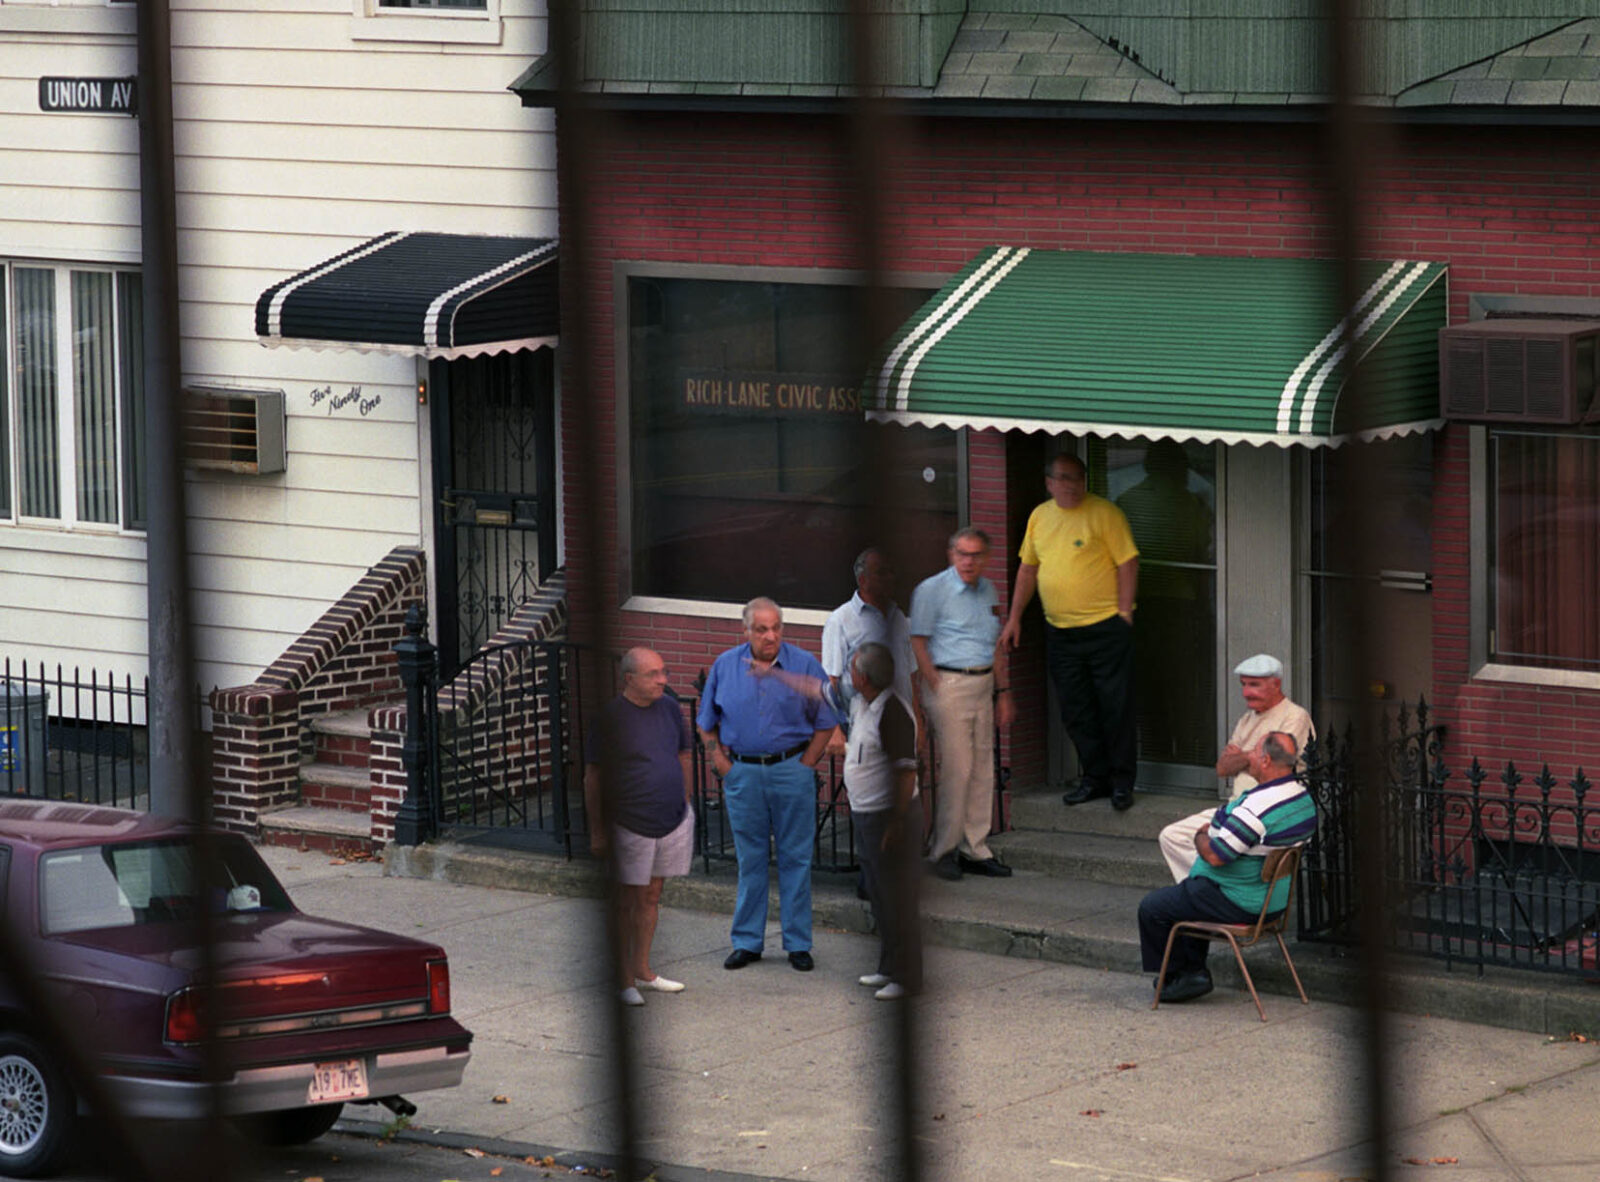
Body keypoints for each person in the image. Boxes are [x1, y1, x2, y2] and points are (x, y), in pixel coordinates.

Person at [697, 598, 838, 972]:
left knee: (796, 859)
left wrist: (806, 765)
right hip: (743, 773)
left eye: (776, 628)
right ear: (745, 630)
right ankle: (747, 942)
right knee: (750, 860)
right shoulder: (725, 666)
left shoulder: (804, 665)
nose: (770, 635)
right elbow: (705, 722)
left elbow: (827, 721)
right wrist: (720, 763)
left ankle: (798, 944)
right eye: (761, 629)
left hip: (791, 770)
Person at [999, 453, 1140, 810]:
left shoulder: (1105, 514)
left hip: (1105, 628)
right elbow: (1028, 569)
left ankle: (1122, 783)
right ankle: (1095, 778)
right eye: (1063, 478)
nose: (1071, 484)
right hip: (1061, 632)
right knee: (1076, 710)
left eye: (1077, 477)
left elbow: (1128, 562)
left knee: (1115, 706)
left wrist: (1124, 613)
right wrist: (1014, 618)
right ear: (1049, 483)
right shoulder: (1039, 517)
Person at [1137, 731, 1315, 1004]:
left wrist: (1200, 835)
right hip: (1273, 901)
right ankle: (1193, 971)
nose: (1249, 756)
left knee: (1153, 908)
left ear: (1265, 761)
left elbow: (1215, 856)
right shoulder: (1302, 799)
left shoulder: (1257, 809)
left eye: (1254, 751)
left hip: (1241, 901)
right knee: (1190, 895)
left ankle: (1181, 975)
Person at [583, 647, 695, 1007]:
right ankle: (622, 979)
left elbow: (683, 755)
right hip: (629, 822)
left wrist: (685, 801)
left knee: (651, 895)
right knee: (626, 900)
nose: (663, 680)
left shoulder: (670, 709)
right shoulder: (610, 719)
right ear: (629, 679)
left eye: (664, 672)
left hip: (671, 819)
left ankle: (643, 971)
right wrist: (598, 831)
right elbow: (593, 776)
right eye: (653, 674)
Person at [909, 527, 1015, 881]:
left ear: (986, 558)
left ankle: (975, 848)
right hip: (949, 682)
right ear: (951, 554)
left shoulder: (989, 590)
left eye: (975, 555)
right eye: (962, 554)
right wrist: (934, 684)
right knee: (958, 769)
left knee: (983, 768)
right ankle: (943, 850)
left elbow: (995, 644)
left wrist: (1004, 691)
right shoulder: (931, 590)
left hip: (983, 683)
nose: (968, 562)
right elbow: (918, 641)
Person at [1157, 653, 1316, 881]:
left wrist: (1241, 756)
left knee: (1209, 847)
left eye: (1254, 685)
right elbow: (1223, 769)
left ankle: (1214, 888)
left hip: (1265, 813)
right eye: (1243, 684)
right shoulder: (1246, 720)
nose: (1246, 692)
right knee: (1172, 836)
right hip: (1235, 807)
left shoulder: (1294, 716)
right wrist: (1253, 755)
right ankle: (1207, 888)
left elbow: (1275, 765)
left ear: (1276, 684)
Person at [841, 642, 923, 1001]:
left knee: (897, 899)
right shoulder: (861, 704)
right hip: (865, 814)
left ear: (864, 677)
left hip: (888, 817)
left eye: (852, 669)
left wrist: (897, 821)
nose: (849, 675)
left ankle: (908, 976)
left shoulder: (893, 714)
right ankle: (889, 966)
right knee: (879, 895)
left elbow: (906, 773)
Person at [821, 547, 918, 719]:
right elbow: (830, 680)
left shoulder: (899, 618)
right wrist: (833, 726)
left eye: (891, 572)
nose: (889, 578)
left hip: (900, 720)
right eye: (881, 573)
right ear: (862, 580)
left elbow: (910, 674)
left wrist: (918, 719)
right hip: (860, 722)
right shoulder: (840, 620)